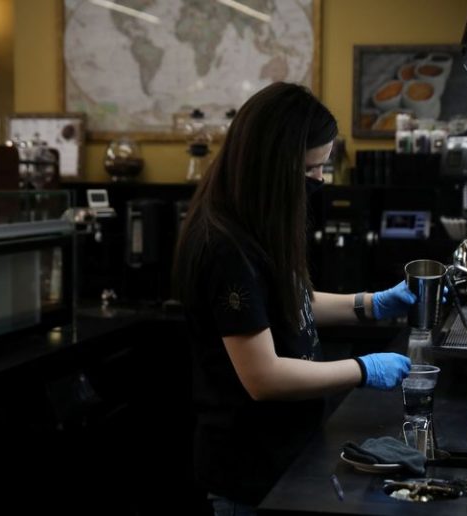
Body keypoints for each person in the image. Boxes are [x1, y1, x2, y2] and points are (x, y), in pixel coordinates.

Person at [174, 82, 416, 515]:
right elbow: (263, 377)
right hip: (249, 470)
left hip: (286, 453)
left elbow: (290, 300)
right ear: (273, 167)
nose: (320, 180)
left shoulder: (254, 219)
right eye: (311, 170)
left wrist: (371, 303)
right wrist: (361, 369)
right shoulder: (224, 244)